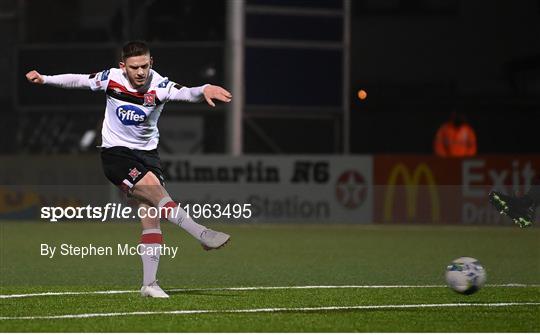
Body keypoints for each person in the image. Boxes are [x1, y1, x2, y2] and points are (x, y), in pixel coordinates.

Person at [26, 41, 233, 298]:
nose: (140, 72)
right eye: (134, 67)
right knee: (157, 196)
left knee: (150, 215)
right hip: (116, 155)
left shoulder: (160, 86)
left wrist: (205, 88)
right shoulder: (111, 79)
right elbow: (78, 80)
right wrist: (44, 79)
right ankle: (200, 232)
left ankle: (149, 284)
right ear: (123, 66)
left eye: (145, 66)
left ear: (151, 63)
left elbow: (187, 92)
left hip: (148, 157)